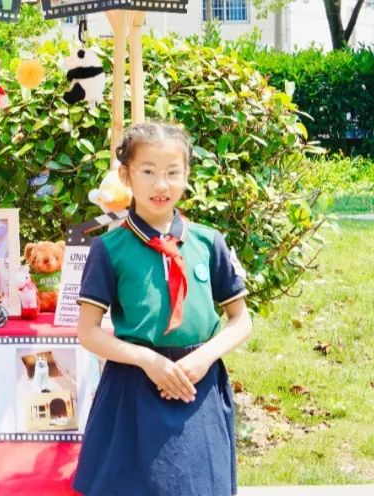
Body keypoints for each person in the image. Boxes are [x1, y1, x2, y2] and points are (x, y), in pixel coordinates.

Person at [72, 122, 252, 496]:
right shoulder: (109, 249)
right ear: (126, 175)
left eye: (172, 173)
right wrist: (148, 361)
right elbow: (87, 332)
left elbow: (240, 320)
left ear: (187, 174)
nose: (161, 185)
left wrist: (203, 358)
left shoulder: (208, 242)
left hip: (196, 388)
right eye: (148, 172)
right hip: (132, 390)